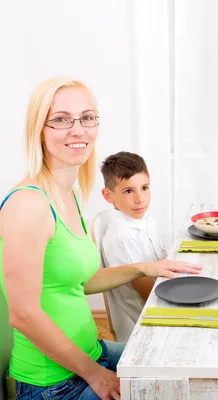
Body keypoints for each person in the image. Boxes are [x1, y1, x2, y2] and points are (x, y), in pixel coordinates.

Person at [0, 77, 202, 400]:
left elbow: (83, 280)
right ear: (39, 128)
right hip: (54, 385)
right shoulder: (28, 204)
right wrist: (97, 375)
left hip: (93, 354)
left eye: (87, 117)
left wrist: (144, 267)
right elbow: (23, 313)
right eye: (61, 119)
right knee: (176, 388)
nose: (78, 129)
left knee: (186, 364)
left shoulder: (69, 195)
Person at [99, 151, 166, 340]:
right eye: (129, 191)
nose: (140, 198)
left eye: (145, 188)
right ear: (108, 195)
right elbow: (148, 295)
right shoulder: (123, 237)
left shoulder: (145, 221)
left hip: (161, 297)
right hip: (152, 319)